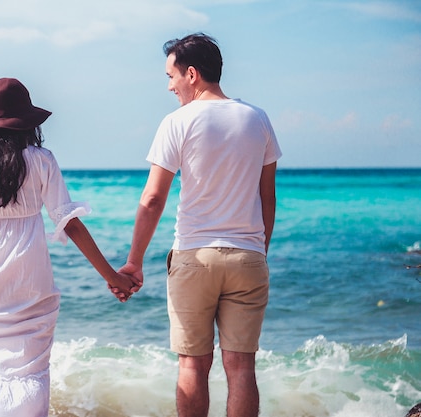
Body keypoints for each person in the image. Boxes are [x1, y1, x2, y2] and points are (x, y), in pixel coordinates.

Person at [0, 77, 138, 417]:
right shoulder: (41, 160)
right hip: (30, 273)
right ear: (26, 121)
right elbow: (69, 222)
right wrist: (111, 276)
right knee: (31, 367)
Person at [117, 33, 282, 417]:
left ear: (192, 74)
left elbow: (153, 199)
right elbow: (267, 196)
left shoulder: (177, 121)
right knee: (241, 367)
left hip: (194, 257)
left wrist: (134, 262)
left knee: (192, 364)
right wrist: (259, 249)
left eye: (171, 76)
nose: (169, 86)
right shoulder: (258, 119)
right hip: (247, 256)